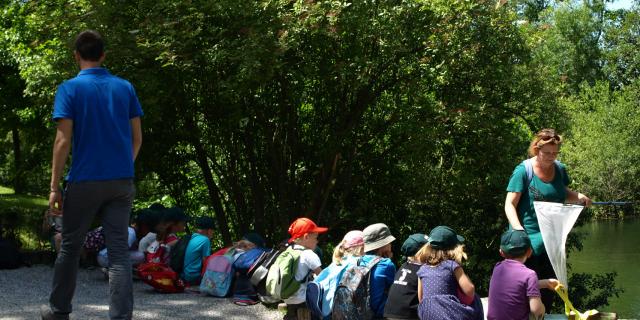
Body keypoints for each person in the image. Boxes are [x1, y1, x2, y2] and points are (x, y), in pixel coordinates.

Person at [42, 30, 143, 320]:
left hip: (85, 179)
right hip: (121, 181)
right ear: (103, 55)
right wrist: (124, 165)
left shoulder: (70, 89)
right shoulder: (125, 87)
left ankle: (60, 311)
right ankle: (121, 317)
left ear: (76, 55)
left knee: (70, 247)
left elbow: (62, 141)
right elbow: (137, 138)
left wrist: (54, 187)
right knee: (119, 253)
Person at [504, 128, 591, 310]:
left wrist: (578, 196)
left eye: (555, 153)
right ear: (536, 149)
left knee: (549, 291)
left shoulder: (560, 169)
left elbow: (560, 193)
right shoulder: (523, 171)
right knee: (527, 293)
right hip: (526, 244)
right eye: (547, 153)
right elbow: (509, 204)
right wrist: (519, 230)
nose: (551, 157)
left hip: (551, 242)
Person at [487, 230, 559, 320]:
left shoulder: (498, 268)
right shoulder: (529, 274)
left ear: (501, 252)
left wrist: (545, 283)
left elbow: (517, 285)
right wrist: (543, 309)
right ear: (529, 252)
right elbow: (536, 311)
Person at [416, 226, 482, 320]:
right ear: (454, 248)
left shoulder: (422, 269)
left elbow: (421, 298)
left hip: (427, 313)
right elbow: (470, 290)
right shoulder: (452, 265)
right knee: (476, 300)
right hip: (449, 311)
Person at [283, 217, 328, 320]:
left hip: (288, 297)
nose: (317, 241)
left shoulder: (289, 250)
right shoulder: (309, 254)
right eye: (315, 238)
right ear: (306, 237)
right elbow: (323, 278)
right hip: (303, 300)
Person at [384, 233, 429, 320]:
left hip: (389, 313)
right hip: (408, 314)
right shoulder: (423, 270)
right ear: (421, 253)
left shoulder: (403, 266)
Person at [360, 223, 397, 318]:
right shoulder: (386, 264)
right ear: (383, 245)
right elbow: (395, 293)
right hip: (379, 315)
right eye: (389, 242)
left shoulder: (358, 261)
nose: (390, 245)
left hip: (360, 314)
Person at [181, 216, 215, 285]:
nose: (213, 233)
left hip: (185, 275)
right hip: (194, 277)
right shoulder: (205, 240)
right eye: (213, 231)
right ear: (209, 230)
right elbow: (206, 262)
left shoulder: (193, 237)